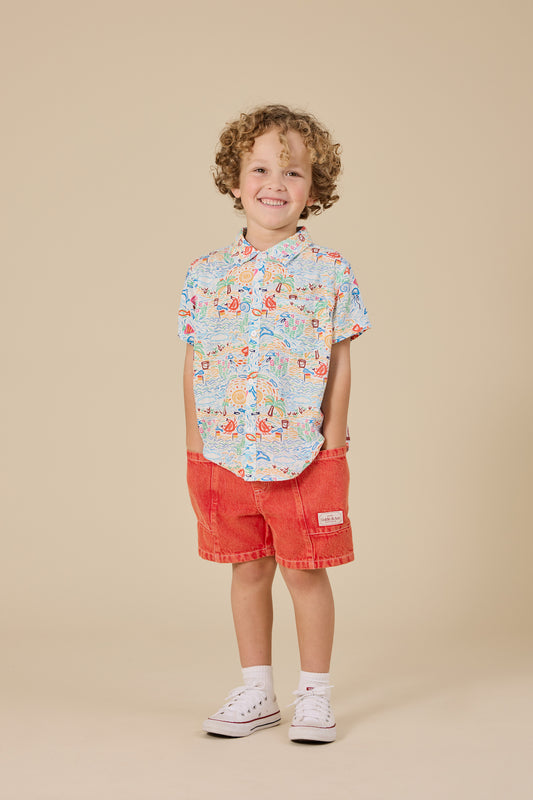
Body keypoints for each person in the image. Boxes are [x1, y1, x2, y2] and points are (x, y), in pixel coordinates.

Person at [178, 104, 371, 743]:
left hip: (305, 454)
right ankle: (256, 691)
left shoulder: (330, 271)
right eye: (259, 169)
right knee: (247, 568)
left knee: (305, 571)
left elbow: (340, 362)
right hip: (224, 453)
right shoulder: (205, 275)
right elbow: (195, 361)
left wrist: (333, 444)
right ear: (235, 182)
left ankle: (314, 695)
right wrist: (196, 445)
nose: (275, 184)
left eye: (292, 172)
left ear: (314, 189)